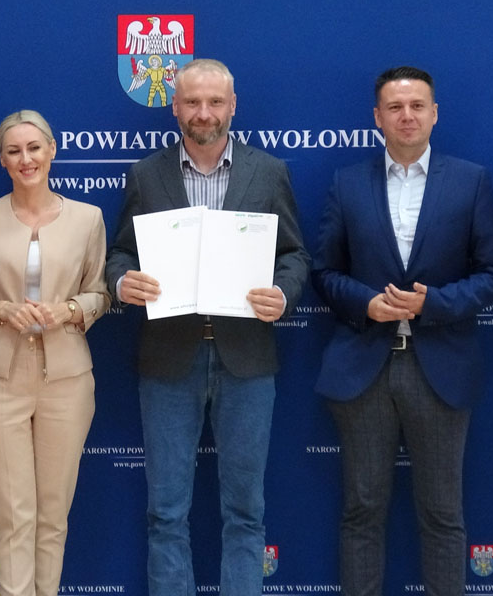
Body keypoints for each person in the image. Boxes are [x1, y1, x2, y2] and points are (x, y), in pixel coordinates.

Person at [105, 58, 310, 596]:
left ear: (232, 106)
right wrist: (122, 281)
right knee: (166, 511)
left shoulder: (269, 171)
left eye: (215, 102)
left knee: (246, 510)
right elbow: (121, 252)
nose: (204, 113)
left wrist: (283, 292)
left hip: (248, 359)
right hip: (169, 358)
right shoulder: (145, 174)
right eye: (193, 102)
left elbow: (294, 255)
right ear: (174, 107)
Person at [311, 66, 493, 596]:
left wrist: (433, 304)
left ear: (434, 113)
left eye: (417, 106)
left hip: (441, 368)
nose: (407, 116)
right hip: (363, 368)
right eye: (395, 107)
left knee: (443, 513)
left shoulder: (470, 181)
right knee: (362, 509)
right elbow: (323, 272)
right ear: (377, 117)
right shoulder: (347, 183)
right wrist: (366, 303)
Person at [0, 110, 111, 596]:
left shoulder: (88, 218)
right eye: (14, 151)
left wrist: (68, 310)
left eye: (34, 148)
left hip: (67, 379)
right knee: (11, 516)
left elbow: (101, 293)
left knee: (53, 515)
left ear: (52, 150)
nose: (26, 159)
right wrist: (2, 310)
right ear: (2, 160)